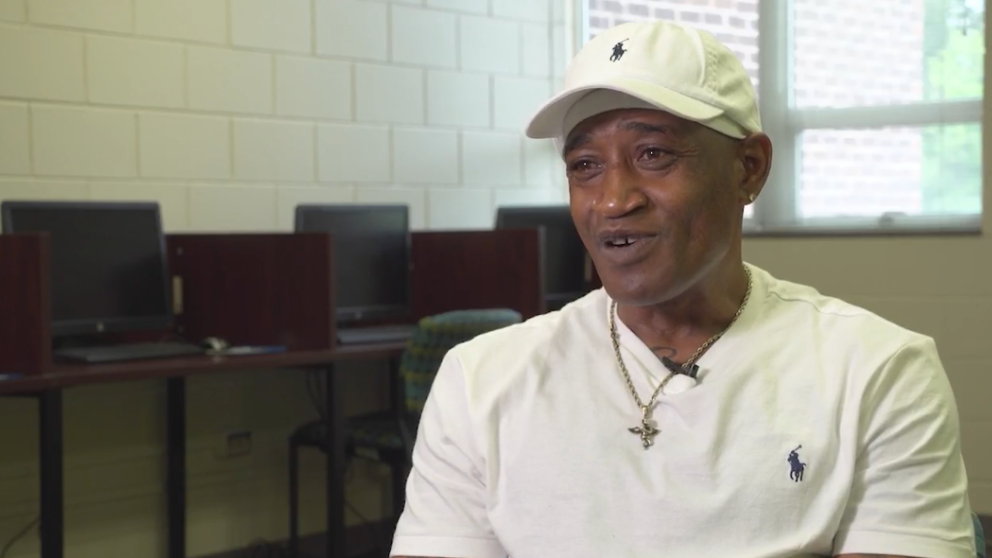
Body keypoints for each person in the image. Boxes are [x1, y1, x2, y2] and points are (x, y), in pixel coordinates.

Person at [389, 19, 975, 558]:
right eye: (585, 166)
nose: (615, 201)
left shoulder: (877, 372)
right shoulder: (479, 380)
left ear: (749, 168)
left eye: (654, 154)